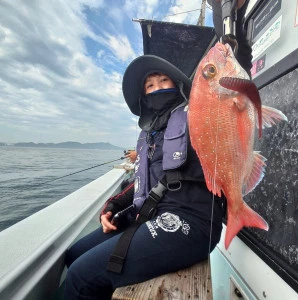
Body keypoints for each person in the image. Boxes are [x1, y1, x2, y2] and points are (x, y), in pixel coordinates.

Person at [64, 2, 252, 298]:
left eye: (163, 80)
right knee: (73, 255)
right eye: (149, 85)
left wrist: (232, 25)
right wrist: (113, 206)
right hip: (152, 213)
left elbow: (231, 86)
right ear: (143, 95)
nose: (156, 87)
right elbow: (146, 179)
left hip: (193, 221)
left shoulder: (195, 113)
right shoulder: (149, 132)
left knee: (78, 278)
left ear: (177, 85)